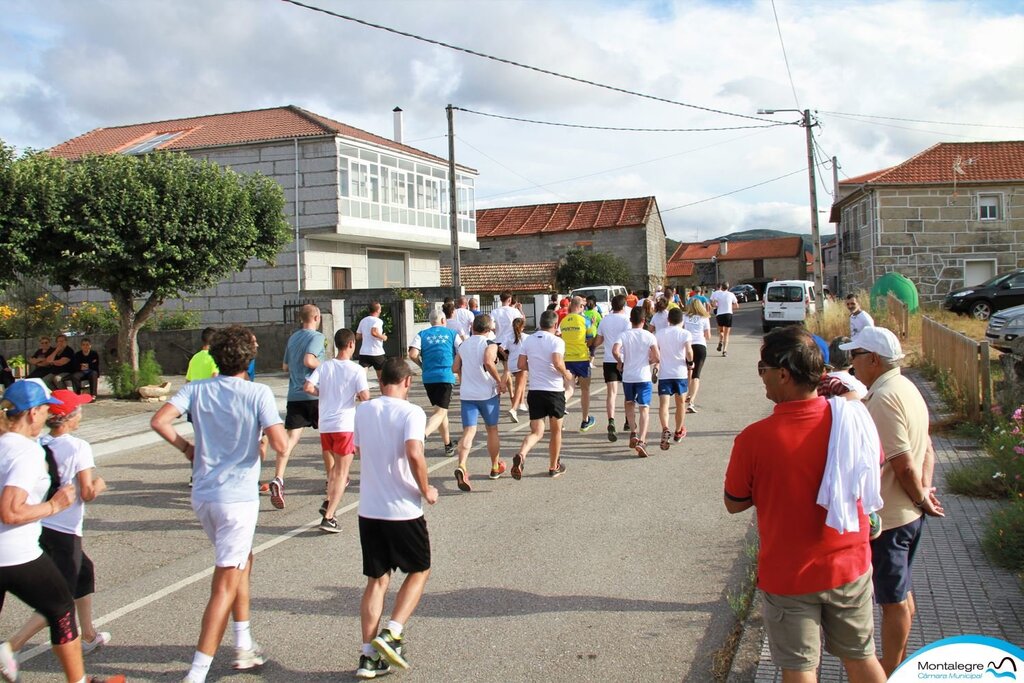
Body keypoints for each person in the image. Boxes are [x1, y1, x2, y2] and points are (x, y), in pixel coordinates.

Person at [724, 327, 887, 683]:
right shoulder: (853, 421)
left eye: (762, 369)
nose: (761, 378)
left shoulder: (754, 439)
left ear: (783, 374)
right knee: (861, 658)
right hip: (850, 565)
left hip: (790, 575)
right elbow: (872, 467)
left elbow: (734, 503)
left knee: (799, 669)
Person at [151, 326, 288, 683]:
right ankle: (197, 673)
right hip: (237, 499)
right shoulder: (257, 393)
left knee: (244, 559)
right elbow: (281, 444)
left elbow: (159, 420)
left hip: (204, 494)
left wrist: (186, 449)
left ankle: (243, 642)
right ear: (249, 358)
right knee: (223, 584)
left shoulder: (196, 389)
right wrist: (262, 443)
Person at [0, 381, 122, 683]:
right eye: (43, 409)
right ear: (31, 413)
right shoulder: (26, 452)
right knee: (62, 607)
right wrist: (54, 506)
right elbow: (11, 511)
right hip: (15, 552)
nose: (45, 415)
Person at [840, 326, 944, 677]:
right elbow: (927, 446)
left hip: (893, 517)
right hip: (908, 511)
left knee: (892, 600)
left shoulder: (883, 398)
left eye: (855, 356)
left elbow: (901, 460)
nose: (851, 365)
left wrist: (919, 496)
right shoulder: (907, 386)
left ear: (873, 359)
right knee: (901, 593)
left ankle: (889, 668)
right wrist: (925, 493)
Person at [353, 358, 438, 678]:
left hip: (369, 509)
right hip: (403, 509)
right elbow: (414, 451)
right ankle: (393, 631)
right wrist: (427, 488)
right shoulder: (412, 412)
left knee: (377, 581)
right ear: (407, 383)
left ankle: (367, 656)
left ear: (379, 381)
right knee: (420, 570)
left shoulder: (364, 410)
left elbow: (359, 451)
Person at [304, 328, 370, 533]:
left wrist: (322, 392)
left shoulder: (325, 367)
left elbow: (307, 387)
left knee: (333, 470)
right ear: (351, 344)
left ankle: (327, 500)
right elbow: (365, 396)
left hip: (326, 425)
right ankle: (329, 516)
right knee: (342, 472)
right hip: (344, 425)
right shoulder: (356, 369)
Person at [273, 304, 325, 510]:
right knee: (327, 437)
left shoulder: (293, 338)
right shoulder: (317, 337)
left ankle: (278, 478)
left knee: (290, 439)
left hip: (294, 395)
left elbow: (285, 366)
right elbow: (309, 360)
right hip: (314, 394)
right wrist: (327, 366)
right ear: (316, 317)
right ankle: (333, 479)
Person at [510, 310, 572, 480]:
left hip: (535, 391)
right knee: (556, 431)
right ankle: (553, 466)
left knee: (536, 432)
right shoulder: (557, 341)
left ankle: (521, 454)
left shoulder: (528, 340)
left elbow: (521, 364)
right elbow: (557, 362)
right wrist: (567, 375)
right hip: (554, 391)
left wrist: (536, 368)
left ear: (540, 323)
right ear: (555, 324)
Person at [451, 314, 506, 491]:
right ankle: (495, 467)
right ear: (488, 330)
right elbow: (488, 362)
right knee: (492, 430)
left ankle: (462, 465)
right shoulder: (488, 344)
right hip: (486, 394)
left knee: (469, 431)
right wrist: (499, 381)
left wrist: (465, 377)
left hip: (467, 394)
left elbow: (454, 368)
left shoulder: (463, 344)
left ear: (473, 327)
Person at [408, 308, 457, 456]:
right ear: (443, 321)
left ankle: (448, 444)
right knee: (441, 411)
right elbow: (462, 350)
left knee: (440, 411)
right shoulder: (452, 334)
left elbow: (412, 354)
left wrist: (422, 365)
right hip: (445, 375)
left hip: (428, 377)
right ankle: (422, 436)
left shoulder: (422, 334)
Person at [613, 307, 660, 458]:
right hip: (644, 376)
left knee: (629, 403)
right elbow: (657, 357)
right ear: (644, 320)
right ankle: (642, 440)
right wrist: (649, 361)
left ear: (630, 320)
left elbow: (615, 350)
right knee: (644, 408)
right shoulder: (649, 336)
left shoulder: (624, 335)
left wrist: (620, 361)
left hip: (628, 376)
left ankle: (633, 431)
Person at [595, 294, 633, 441]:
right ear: (623, 306)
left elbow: (599, 340)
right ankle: (627, 420)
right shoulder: (626, 321)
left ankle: (611, 420)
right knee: (627, 392)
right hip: (624, 359)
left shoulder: (604, 320)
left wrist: (590, 345)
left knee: (611, 393)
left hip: (608, 359)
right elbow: (629, 340)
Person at [655, 308, 693, 449]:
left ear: (668, 320)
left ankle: (665, 428)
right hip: (680, 373)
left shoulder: (659, 333)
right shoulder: (685, 334)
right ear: (682, 320)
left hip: (665, 373)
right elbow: (689, 351)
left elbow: (656, 352)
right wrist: (690, 362)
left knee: (664, 404)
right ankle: (678, 431)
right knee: (680, 404)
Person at [559, 297, 596, 432]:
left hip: (567, 359)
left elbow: (560, 337)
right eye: (584, 307)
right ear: (580, 306)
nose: (584, 309)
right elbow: (591, 339)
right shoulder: (584, 320)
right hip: (581, 358)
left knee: (569, 389)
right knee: (585, 390)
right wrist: (591, 326)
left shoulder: (563, 321)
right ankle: (585, 420)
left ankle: (560, 404)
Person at [490, 291, 524, 398]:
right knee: (510, 369)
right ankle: (509, 390)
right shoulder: (514, 311)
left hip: (498, 342)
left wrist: (497, 330)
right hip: (511, 341)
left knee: (506, 368)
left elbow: (491, 326)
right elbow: (521, 322)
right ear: (509, 300)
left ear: (500, 299)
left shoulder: (495, 311)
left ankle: (511, 392)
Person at [682, 299, 711, 413]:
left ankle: (688, 393)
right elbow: (707, 336)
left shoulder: (685, 317)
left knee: (689, 370)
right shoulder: (704, 318)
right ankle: (691, 401)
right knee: (696, 375)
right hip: (700, 346)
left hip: (688, 346)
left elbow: (682, 330)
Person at [356, 302, 388, 385]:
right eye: (380, 309)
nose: (381, 310)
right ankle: (384, 395)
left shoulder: (363, 321)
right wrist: (383, 337)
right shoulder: (378, 321)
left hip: (364, 352)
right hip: (376, 352)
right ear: (377, 310)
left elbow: (358, 336)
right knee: (381, 378)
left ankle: (360, 395)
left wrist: (366, 335)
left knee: (361, 378)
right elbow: (373, 332)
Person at [504, 317, 528, 423]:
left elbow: (501, 347)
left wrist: (506, 355)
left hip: (511, 363)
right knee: (519, 386)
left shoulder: (508, 337)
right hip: (522, 363)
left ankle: (522, 404)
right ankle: (513, 408)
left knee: (521, 383)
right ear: (522, 327)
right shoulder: (526, 337)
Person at [709, 283, 739, 357]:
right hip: (728, 314)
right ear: (728, 287)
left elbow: (714, 304)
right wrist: (729, 306)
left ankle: (720, 341)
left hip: (720, 314)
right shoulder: (731, 294)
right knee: (727, 334)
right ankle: (724, 351)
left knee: (721, 331)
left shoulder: (717, 294)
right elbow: (736, 306)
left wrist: (716, 305)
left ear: (721, 287)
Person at [582, 296, 603, 360]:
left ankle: (587, 359)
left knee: (587, 347)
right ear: (594, 305)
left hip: (585, 333)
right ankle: (591, 362)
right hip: (594, 333)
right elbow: (601, 322)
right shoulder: (596, 314)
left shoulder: (584, 314)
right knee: (593, 348)